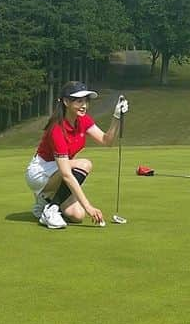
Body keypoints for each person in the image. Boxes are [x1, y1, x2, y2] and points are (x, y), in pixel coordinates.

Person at [26, 82, 129, 229]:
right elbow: (66, 174)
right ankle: (51, 208)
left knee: (77, 215)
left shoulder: (83, 120)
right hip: (40, 173)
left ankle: (45, 201)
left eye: (86, 101)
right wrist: (89, 207)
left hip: (58, 170)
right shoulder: (56, 129)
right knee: (84, 164)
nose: (84, 105)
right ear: (66, 102)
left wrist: (116, 117)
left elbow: (107, 141)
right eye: (79, 101)